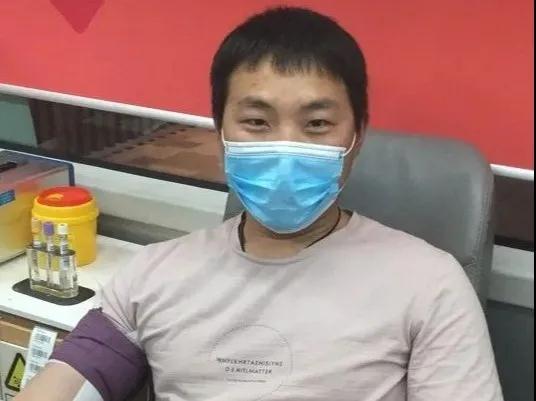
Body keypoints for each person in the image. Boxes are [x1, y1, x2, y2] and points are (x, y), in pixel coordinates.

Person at [15, 7, 503, 401]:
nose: (285, 147)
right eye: (256, 122)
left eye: (317, 124)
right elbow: (71, 380)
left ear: (356, 137)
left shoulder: (430, 286)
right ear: (221, 134)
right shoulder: (153, 275)